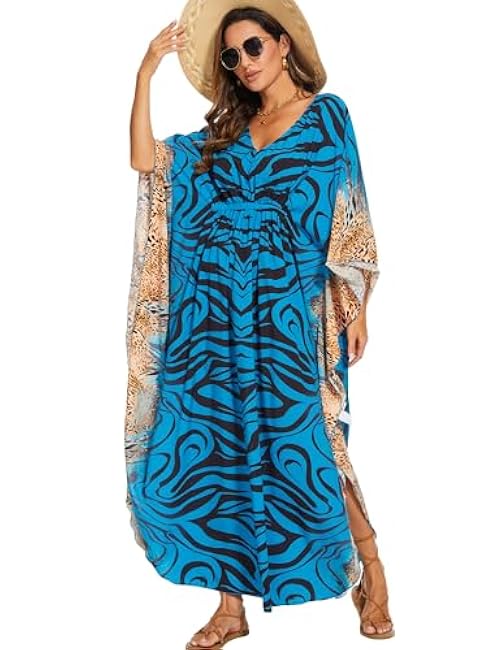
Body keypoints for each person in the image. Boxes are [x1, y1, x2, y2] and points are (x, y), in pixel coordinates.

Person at [126, 0, 395, 645]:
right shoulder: (223, 138)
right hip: (213, 318)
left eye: (252, 46)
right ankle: (229, 608)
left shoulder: (327, 116)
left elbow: (349, 207)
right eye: (231, 55)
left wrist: (356, 306)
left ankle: (373, 572)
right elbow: (146, 164)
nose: (243, 62)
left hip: (292, 317)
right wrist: (145, 72)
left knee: (312, 445)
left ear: (282, 45)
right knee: (219, 446)